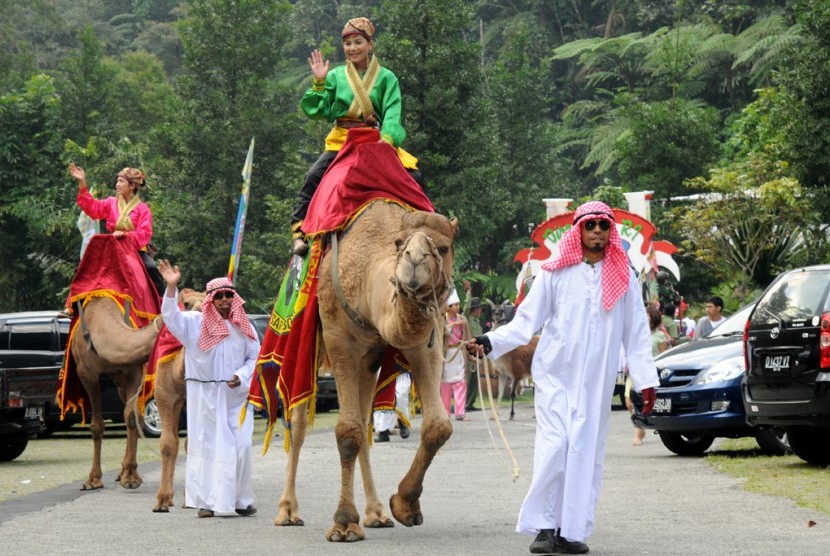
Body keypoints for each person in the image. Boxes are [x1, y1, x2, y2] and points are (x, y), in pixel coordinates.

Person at [467, 201, 658, 555]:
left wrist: (646, 380)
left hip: (596, 383)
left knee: (584, 452)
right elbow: (526, 321)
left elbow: (636, 334)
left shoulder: (624, 276)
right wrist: (490, 341)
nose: (597, 230)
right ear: (579, 230)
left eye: (604, 224)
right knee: (554, 448)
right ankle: (543, 527)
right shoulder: (554, 272)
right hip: (555, 376)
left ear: (609, 230)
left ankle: (570, 530)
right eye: (591, 225)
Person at [290, 16, 422, 256]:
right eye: (348, 43)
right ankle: (299, 232)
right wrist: (319, 82)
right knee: (313, 176)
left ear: (370, 44)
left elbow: (393, 112)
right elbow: (319, 110)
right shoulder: (336, 75)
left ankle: (423, 230)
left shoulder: (387, 77)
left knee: (414, 175)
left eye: (358, 42)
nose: (352, 48)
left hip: (375, 140)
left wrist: (388, 139)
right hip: (342, 139)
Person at [157, 259, 260, 519]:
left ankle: (240, 500)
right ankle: (205, 501)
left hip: (236, 396)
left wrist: (240, 375)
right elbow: (170, 317)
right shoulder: (193, 323)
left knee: (242, 446)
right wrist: (171, 288)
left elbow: (254, 358)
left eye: (229, 295)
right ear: (211, 300)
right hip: (204, 397)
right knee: (208, 449)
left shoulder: (244, 326)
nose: (225, 300)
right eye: (220, 296)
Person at [69, 162, 165, 296]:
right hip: (112, 247)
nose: (117, 185)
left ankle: (162, 306)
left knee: (151, 268)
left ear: (132, 186)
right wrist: (82, 182)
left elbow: (144, 234)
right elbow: (92, 207)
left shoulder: (143, 209)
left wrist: (125, 235)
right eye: (117, 181)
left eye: (121, 181)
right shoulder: (110, 203)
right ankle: (74, 306)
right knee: (85, 267)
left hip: (135, 250)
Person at [442, 289, 471, 422]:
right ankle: (445, 412)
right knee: (445, 383)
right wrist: (452, 325)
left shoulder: (463, 319)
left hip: (459, 352)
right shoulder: (442, 319)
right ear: (449, 307)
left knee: (460, 382)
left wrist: (471, 353)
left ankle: (460, 413)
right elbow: (439, 333)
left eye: (459, 304)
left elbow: (468, 338)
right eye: (455, 305)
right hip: (446, 354)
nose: (458, 307)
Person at [463, 279, 484, 412]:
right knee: (467, 378)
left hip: (477, 353)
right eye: (480, 308)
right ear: (475, 309)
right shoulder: (467, 319)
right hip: (468, 352)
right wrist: (468, 292)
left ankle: (470, 403)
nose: (481, 311)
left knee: (475, 380)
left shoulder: (478, 322)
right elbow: (465, 308)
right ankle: (463, 404)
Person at [373, 371, 412, 442]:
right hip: (384, 367)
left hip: (401, 368)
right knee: (383, 397)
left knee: (401, 396)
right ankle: (383, 432)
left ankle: (403, 422)